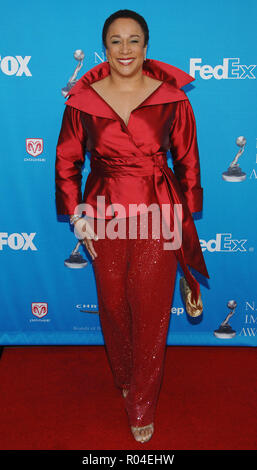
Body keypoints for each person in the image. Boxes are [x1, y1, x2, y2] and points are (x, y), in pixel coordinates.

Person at [55, 9, 209, 443]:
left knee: (151, 311)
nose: (125, 49)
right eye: (116, 41)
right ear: (105, 48)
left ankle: (142, 401)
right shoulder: (82, 101)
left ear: (147, 46)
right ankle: (125, 373)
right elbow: (68, 161)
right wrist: (77, 213)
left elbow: (189, 162)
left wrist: (184, 216)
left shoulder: (172, 98)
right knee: (114, 307)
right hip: (102, 216)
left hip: (158, 213)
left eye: (134, 40)